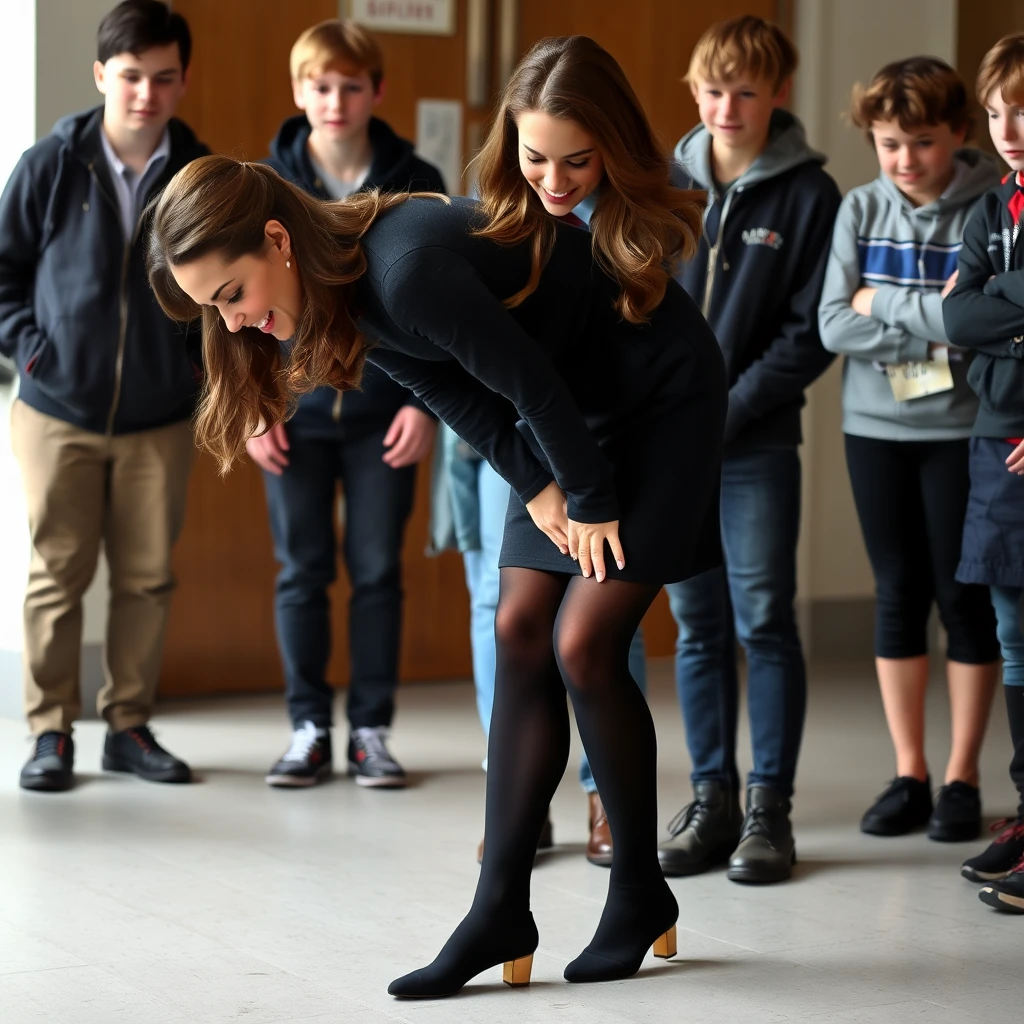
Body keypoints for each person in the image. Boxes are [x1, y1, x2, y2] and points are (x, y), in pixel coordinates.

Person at [146, 37, 725, 994]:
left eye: (233, 294)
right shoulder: (340, 299)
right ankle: (500, 908)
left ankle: (639, 892)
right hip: (566, 416)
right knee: (517, 627)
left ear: (276, 242)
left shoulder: (401, 267)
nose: (237, 321)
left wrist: (583, 500)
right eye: (216, 310)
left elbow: (528, 383)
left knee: (585, 644)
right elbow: (465, 401)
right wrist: (541, 493)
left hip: (654, 397)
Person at [444, 35, 654, 868]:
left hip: (613, 447)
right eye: (537, 159)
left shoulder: (642, 216)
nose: (556, 182)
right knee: (514, 619)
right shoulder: (489, 207)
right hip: (515, 445)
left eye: (579, 160)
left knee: (597, 624)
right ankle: (519, 797)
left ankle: (609, 802)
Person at [0, 0, 208, 792]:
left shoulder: (198, 173)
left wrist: (193, 372)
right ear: (101, 75)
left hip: (159, 415)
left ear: (183, 80)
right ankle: (50, 733)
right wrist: (32, 348)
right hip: (57, 409)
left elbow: (217, 300)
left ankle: (128, 727)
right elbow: (3, 272)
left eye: (162, 79)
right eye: (129, 77)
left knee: (147, 577)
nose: (145, 95)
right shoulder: (52, 163)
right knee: (58, 572)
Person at [659, 14, 841, 884]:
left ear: (778, 95)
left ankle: (770, 809)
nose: (727, 105)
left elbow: (810, 334)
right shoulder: (662, 183)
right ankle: (712, 797)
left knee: (764, 620)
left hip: (757, 444)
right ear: (694, 93)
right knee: (696, 626)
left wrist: (723, 412)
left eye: (746, 90)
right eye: (712, 89)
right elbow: (635, 306)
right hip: (672, 450)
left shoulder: (812, 197)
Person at [252, 19, 443, 789]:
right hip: (291, 418)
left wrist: (425, 405)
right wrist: (253, 406)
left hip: (385, 417)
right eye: (320, 87)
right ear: (300, 92)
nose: (335, 101)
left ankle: (370, 730)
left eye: (350, 87)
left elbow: (437, 304)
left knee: (376, 571)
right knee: (300, 570)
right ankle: (307, 729)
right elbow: (232, 310)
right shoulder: (263, 183)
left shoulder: (414, 176)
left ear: (377, 92)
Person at [819, 57, 1001, 843]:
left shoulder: (988, 209)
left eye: (921, 142)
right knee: (897, 595)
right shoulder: (858, 208)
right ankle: (909, 773)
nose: (903, 160)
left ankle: (962, 776)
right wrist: (936, 320)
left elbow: (983, 328)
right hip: (875, 430)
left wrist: (883, 305)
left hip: (964, 433)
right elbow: (832, 323)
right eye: (889, 142)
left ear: (958, 134)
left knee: (965, 601)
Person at [944, 32, 1024, 914]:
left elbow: (978, 311)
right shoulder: (993, 206)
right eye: (998, 111)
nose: (1009, 127)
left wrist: (995, 311)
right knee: (1015, 632)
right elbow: (956, 317)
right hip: (997, 435)